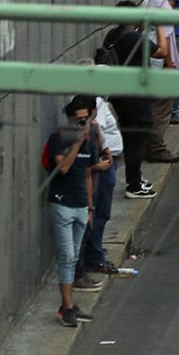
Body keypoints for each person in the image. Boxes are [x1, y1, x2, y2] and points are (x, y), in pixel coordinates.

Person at [43, 97, 102, 328]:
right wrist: (77, 143)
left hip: (80, 206)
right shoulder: (59, 138)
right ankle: (67, 308)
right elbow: (64, 167)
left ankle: (67, 305)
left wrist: (90, 208)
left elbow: (88, 175)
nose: (82, 124)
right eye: (78, 120)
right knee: (67, 256)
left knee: (74, 257)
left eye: (85, 119)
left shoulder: (90, 141)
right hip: (62, 204)